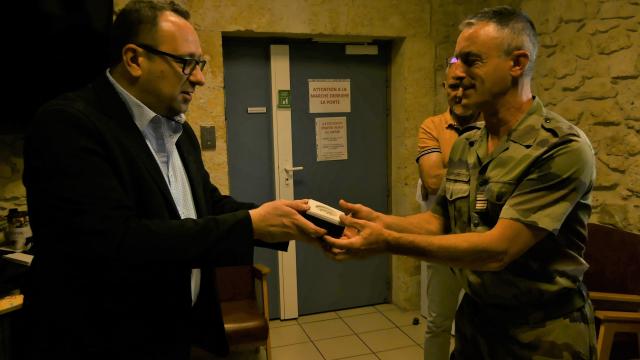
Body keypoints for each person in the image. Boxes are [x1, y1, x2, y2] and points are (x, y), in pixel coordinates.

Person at [20, 1, 325, 359]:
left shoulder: (178, 132)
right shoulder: (69, 125)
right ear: (134, 59)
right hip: (105, 341)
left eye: (200, 64)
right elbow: (117, 242)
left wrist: (283, 218)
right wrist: (249, 225)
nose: (198, 78)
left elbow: (205, 206)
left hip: (181, 333)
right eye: (186, 63)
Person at [325, 5, 597, 359]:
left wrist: (388, 242)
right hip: (477, 324)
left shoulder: (560, 146)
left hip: (542, 336)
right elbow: (439, 221)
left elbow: (498, 250)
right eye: (456, 61)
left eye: (471, 61)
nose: (458, 71)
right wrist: (378, 221)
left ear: (517, 64)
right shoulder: (469, 143)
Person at [416, 64, 481, 360]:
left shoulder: (494, 125)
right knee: (439, 322)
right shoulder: (433, 126)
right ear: (444, 87)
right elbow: (431, 180)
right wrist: (483, 171)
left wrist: (450, 170)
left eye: (467, 86)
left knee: (481, 326)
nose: (459, 92)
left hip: (483, 242)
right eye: (453, 86)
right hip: (443, 242)